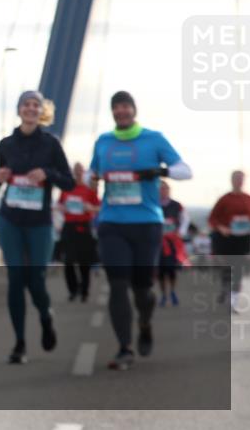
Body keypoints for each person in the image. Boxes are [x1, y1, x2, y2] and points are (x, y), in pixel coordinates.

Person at [88, 91, 192, 371]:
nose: (121, 112)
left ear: (134, 109)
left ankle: (145, 323)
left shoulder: (153, 139)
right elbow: (90, 174)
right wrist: (92, 179)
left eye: (125, 107)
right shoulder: (103, 142)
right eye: (116, 108)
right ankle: (125, 347)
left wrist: (159, 172)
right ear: (112, 112)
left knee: (142, 290)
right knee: (118, 285)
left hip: (146, 224)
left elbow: (185, 170)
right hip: (112, 223)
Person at [0, 91, 74, 364]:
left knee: (35, 279)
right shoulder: (6, 144)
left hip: (39, 222)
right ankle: (19, 344)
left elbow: (69, 182)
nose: (30, 108)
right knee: (16, 279)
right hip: (10, 219)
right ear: (19, 110)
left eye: (35, 105)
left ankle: (45, 315)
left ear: (42, 112)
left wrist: (47, 174)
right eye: (25, 104)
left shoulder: (51, 144)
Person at [56, 162, 100, 302]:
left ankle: (85, 291)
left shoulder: (89, 190)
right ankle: (73, 290)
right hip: (69, 226)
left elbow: (99, 208)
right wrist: (61, 208)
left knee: (84, 262)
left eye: (80, 170)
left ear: (83, 172)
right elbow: (59, 205)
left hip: (83, 227)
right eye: (75, 170)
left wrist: (90, 208)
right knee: (68, 261)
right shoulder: (66, 189)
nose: (77, 173)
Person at [208, 170, 250, 313]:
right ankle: (225, 288)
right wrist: (221, 228)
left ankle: (233, 303)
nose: (239, 181)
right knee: (226, 269)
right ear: (232, 180)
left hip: (243, 240)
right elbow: (212, 219)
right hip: (226, 239)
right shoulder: (224, 199)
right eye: (236, 178)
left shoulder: (248, 199)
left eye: (241, 178)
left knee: (238, 269)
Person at [157, 181, 188, 307]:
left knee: (171, 269)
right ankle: (164, 294)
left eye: (166, 188)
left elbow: (185, 219)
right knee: (160, 271)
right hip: (158, 243)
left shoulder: (176, 205)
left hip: (172, 243)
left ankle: (173, 292)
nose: (164, 191)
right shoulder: (153, 205)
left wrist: (181, 232)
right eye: (161, 189)